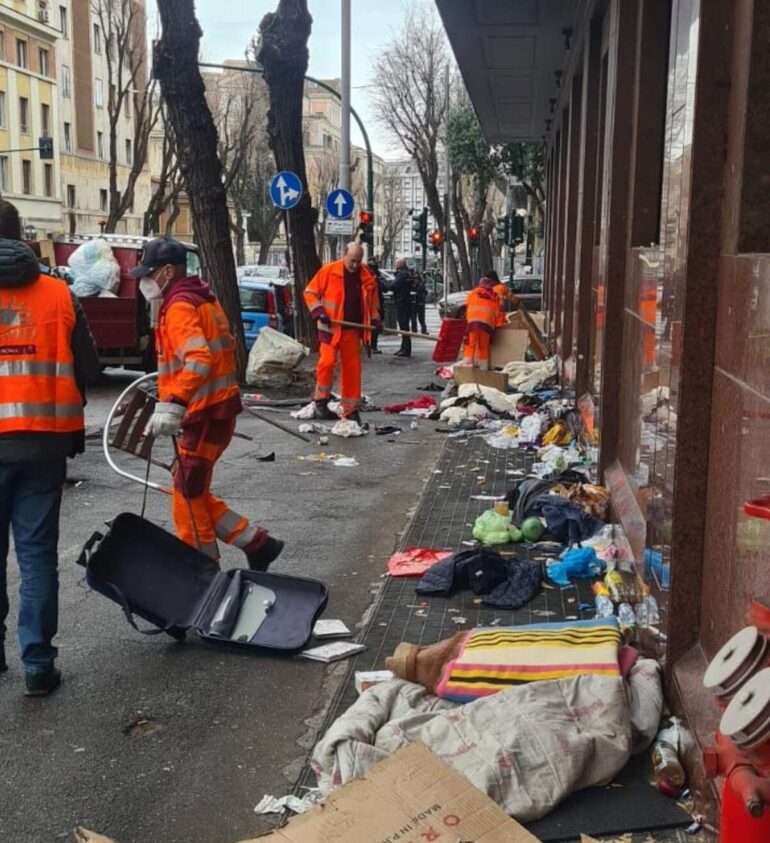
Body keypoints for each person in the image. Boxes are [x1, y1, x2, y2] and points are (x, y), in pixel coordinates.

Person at [131, 238, 283, 570]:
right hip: (213, 413)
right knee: (191, 491)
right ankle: (256, 543)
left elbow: (198, 359)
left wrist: (174, 403)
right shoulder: (201, 299)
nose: (144, 281)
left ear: (167, 272)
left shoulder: (180, 307)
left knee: (186, 498)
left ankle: (203, 574)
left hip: (203, 415)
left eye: (149, 273)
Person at [0, 199, 100, 696]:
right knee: (37, 557)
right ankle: (38, 665)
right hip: (42, 446)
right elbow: (91, 367)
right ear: (22, 236)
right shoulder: (60, 295)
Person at [304, 242, 380, 423]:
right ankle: (321, 402)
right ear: (344, 255)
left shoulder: (367, 276)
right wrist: (319, 312)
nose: (355, 265)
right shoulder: (329, 271)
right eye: (352, 261)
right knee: (327, 363)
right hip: (330, 328)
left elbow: (373, 303)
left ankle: (350, 410)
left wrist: (375, 319)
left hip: (352, 330)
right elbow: (310, 292)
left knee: (352, 369)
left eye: (358, 261)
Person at [461, 274, 506, 370]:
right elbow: (499, 314)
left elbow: (468, 306)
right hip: (486, 325)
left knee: (471, 344)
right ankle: (483, 368)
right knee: (483, 346)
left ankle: (466, 366)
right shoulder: (495, 296)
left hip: (472, 323)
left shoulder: (473, 293)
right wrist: (500, 326)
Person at [390, 258, 413, 357]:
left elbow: (393, 285)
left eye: (396, 263)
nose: (395, 265)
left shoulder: (402, 274)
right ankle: (404, 348)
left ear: (400, 264)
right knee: (404, 326)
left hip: (402, 302)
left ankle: (405, 349)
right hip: (405, 302)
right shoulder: (406, 273)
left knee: (404, 326)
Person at [368, 258, 386, 354]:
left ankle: (371, 345)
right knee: (374, 325)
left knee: (373, 325)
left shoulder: (373, 278)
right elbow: (386, 287)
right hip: (375, 306)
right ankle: (372, 345)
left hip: (374, 305)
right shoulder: (374, 279)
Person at [411, 269, 428, 334]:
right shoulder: (420, 281)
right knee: (417, 317)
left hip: (417, 301)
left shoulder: (417, 281)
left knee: (417, 317)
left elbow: (422, 290)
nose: (416, 275)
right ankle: (420, 330)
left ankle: (417, 330)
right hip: (417, 301)